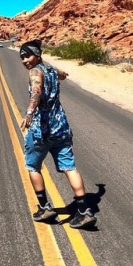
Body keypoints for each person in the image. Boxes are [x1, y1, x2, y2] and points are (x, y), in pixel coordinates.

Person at [19, 39, 96, 229]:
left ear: (37, 55)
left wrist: (29, 113)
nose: (24, 60)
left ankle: (45, 208)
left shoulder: (35, 72)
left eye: (27, 56)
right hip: (61, 127)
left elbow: (35, 92)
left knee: (32, 166)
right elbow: (62, 75)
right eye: (21, 57)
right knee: (70, 167)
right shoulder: (51, 70)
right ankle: (84, 210)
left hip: (41, 130)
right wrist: (63, 74)